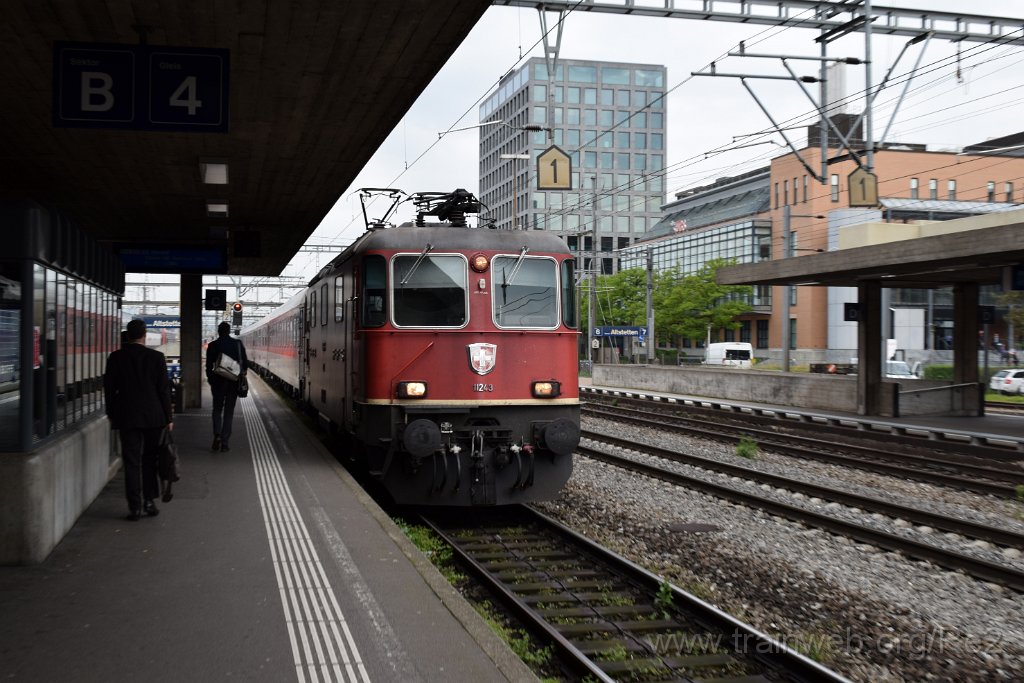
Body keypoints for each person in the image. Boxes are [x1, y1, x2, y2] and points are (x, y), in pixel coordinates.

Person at [103, 319, 173, 521]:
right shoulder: (156, 357)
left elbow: (109, 389)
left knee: (131, 461)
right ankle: (149, 503)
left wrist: (111, 413)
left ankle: (134, 507)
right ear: (144, 335)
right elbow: (163, 390)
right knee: (149, 460)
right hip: (154, 417)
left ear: (128, 335)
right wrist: (168, 417)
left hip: (127, 416)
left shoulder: (116, 357)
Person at [206, 321, 248, 452]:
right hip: (233, 383)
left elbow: (208, 366)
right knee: (229, 412)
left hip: (217, 383)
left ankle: (217, 434)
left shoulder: (213, 345)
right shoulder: (237, 344)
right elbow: (245, 364)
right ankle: (225, 443)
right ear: (229, 331)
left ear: (219, 331)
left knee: (217, 410)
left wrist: (211, 380)